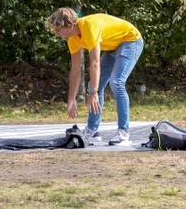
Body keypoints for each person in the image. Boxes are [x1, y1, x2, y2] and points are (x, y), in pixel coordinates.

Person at [47, 7, 144, 146]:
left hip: (131, 41)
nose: (56, 33)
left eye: (58, 29)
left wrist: (93, 92)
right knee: (93, 84)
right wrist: (71, 98)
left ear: (70, 25)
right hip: (113, 47)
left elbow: (95, 62)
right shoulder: (73, 39)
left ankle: (124, 132)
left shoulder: (90, 27)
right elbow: (75, 69)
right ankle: (92, 131)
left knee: (116, 82)